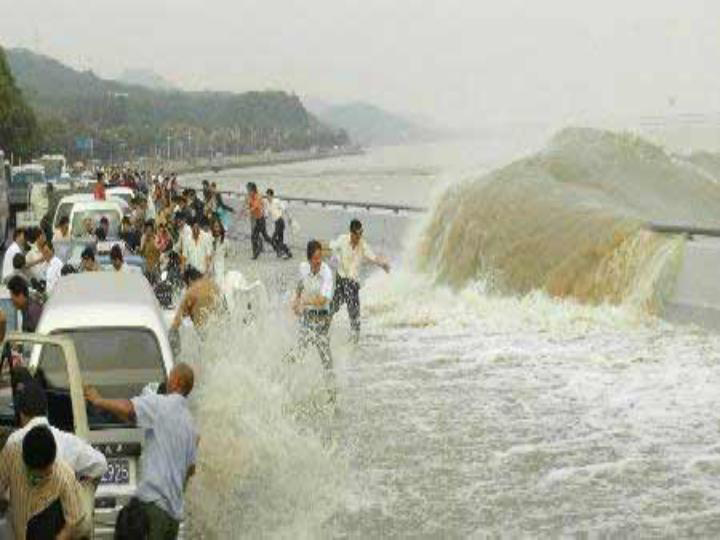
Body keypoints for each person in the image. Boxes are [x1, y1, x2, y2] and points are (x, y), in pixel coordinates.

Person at [84, 364, 198, 540]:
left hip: (154, 507)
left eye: (170, 376)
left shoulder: (161, 404)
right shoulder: (190, 424)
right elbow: (191, 470)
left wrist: (99, 401)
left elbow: (128, 408)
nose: (167, 380)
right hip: (173, 516)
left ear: (176, 381)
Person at [8, 377, 107, 481]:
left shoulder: (13, 441)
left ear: (21, 414)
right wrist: (78, 483)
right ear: (46, 410)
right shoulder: (67, 441)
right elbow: (100, 464)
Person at [0, 425, 87, 539]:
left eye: (43, 475)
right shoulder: (12, 453)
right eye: (32, 473)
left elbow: (73, 521)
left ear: (52, 461)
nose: (37, 479)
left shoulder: (64, 476)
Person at [329, 219, 390, 341]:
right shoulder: (342, 239)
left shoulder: (363, 244)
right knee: (332, 308)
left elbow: (373, 256)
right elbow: (331, 246)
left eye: (361, 233)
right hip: (341, 281)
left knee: (355, 316)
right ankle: (323, 327)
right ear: (351, 233)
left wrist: (382, 264)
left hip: (352, 284)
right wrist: (317, 249)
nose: (360, 237)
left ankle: (354, 341)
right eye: (358, 234)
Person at [291, 240, 334, 370]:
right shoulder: (303, 267)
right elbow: (300, 285)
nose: (319, 261)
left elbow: (322, 300)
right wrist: (296, 300)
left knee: (323, 351)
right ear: (309, 259)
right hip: (308, 314)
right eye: (315, 258)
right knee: (301, 345)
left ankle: (330, 381)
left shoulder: (327, 273)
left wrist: (304, 302)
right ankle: (293, 374)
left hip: (323, 316)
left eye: (320, 257)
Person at [170, 267, 222, 332]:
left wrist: (173, 330)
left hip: (205, 331)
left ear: (189, 280)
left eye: (186, 285)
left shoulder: (191, 291)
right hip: (221, 326)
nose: (186, 288)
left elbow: (177, 320)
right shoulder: (214, 285)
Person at [246, 183, 272, 259]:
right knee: (254, 236)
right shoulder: (250, 197)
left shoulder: (258, 196)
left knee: (265, 237)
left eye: (249, 190)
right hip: (257, 219)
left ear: (253, 190)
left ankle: (276, 246)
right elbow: (249, 205)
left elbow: (255, 206)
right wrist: (247, 209)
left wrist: (249, 210)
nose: (248, 191)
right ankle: (255, 253)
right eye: (247, 190)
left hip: (261, 220)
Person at [265, 189, 292, 259]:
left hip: (280, 221)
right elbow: (267, 214)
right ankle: (287, 252)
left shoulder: (276, 201)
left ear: (271, 195)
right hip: (276, 223)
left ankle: (280, 251)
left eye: (268, 195)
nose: (267, 197)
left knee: (273, 238)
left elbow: (285, 209)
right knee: (280, 240)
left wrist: (289, 218)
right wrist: (264, 217)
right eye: (266, 195)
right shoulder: (268, 204)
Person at [210, 220, 226, 287]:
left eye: (218, 227)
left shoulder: (225, 242)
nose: (216, 229)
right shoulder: (209, 240)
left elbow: (227, 255)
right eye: (215, 227)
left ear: (221, 228)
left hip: (220, 269)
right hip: (210, 269)